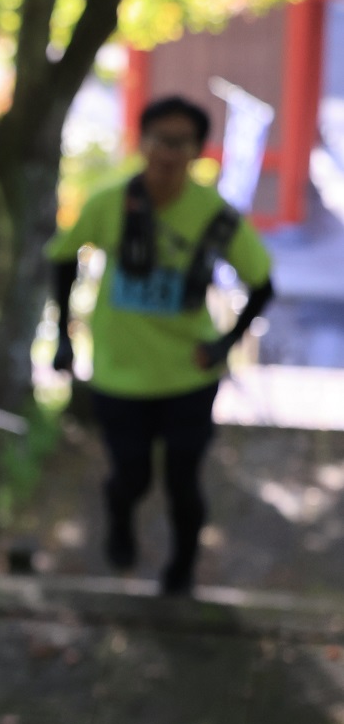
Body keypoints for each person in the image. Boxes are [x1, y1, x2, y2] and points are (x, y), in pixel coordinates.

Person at [48, 94, 276, 595]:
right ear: (142, 142)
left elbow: (262, 283)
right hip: (118, 372)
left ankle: (181, 574)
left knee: (183, 480)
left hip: (188, 374)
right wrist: (63, 335)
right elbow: (64, 257)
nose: (169, 153)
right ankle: (120, 522)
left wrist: (226, 344)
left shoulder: (215, 215)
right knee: (129, 474)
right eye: (160, 140)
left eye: (181, 142)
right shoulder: (110, 202)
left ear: (198, 150)